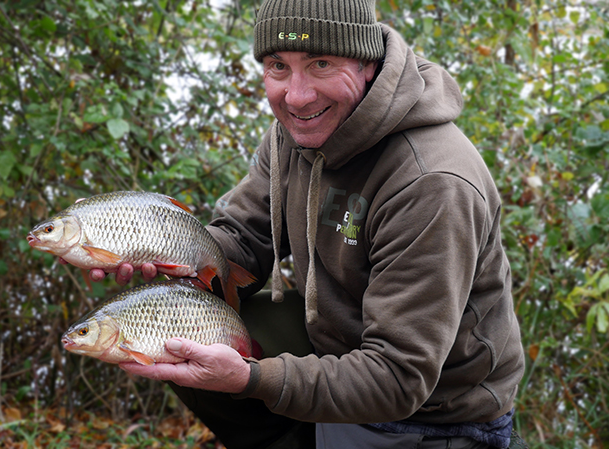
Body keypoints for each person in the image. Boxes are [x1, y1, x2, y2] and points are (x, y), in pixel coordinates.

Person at [88, 0, 526, 447]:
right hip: (333, 345)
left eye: (321, 63)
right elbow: (244, 237)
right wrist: (169, 254)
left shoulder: (431, 182)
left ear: (367, 63)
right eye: (279, 65)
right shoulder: (297, 129)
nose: (296, 96)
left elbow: (399, 376)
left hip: (431, 413)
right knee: (179, 320)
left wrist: (251, 379)